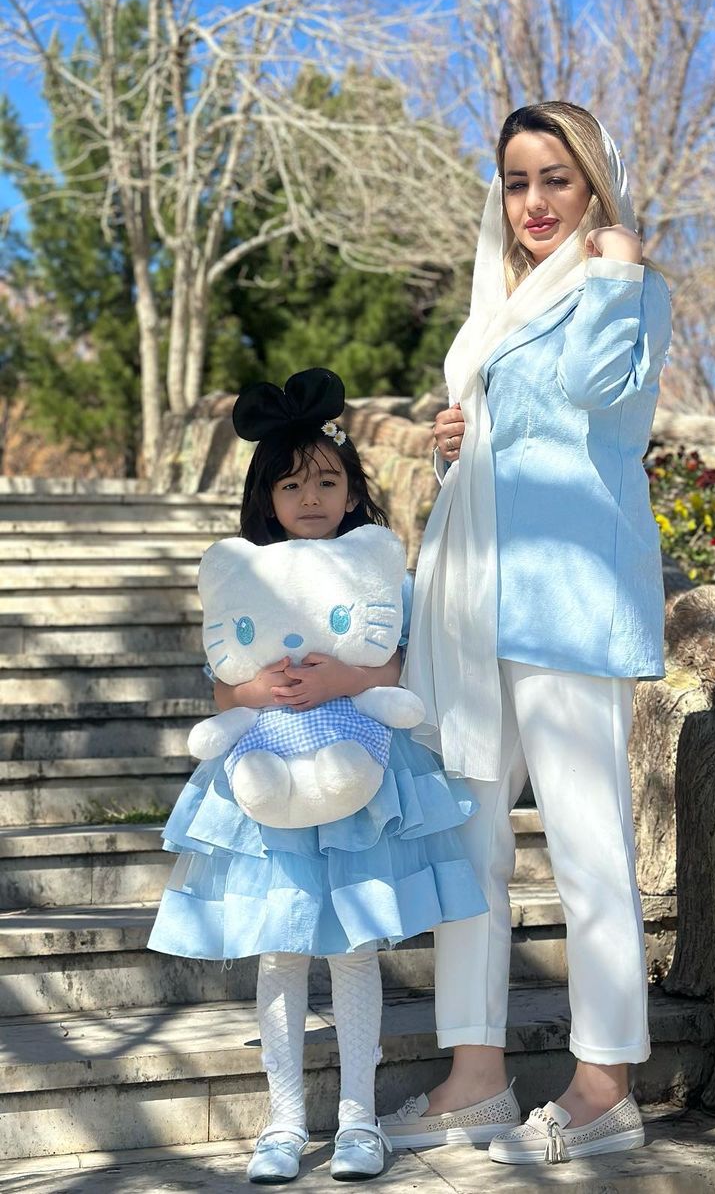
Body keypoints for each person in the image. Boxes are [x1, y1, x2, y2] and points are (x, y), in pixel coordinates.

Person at [385, 103, 671, 1166]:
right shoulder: (499, 305)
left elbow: (597, 395)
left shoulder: (630, 289)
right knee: (468, 844)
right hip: (477, 607)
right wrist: (456, 438)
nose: (536, 202)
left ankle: (605, 1089)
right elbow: (518, 438)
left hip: (570, 604)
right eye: (517, 181)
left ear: (594, 183)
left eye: (558, 178)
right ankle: (476, 1078)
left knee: (589, 848)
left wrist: (614, 270)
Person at [148, 367, 487, 1184]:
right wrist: (255, 692)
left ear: (353, 492)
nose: (311, 497)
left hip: (358, 778)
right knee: (281, 953)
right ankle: (283, 1121)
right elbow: (224, 684)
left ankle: (359, 1119)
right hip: (265, 777)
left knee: (356, 951)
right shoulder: (247, 577)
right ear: (267, 498)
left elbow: (401, 665)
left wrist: (344, 680)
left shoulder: (377, 573)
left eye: (328, 481)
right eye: (292, 484)